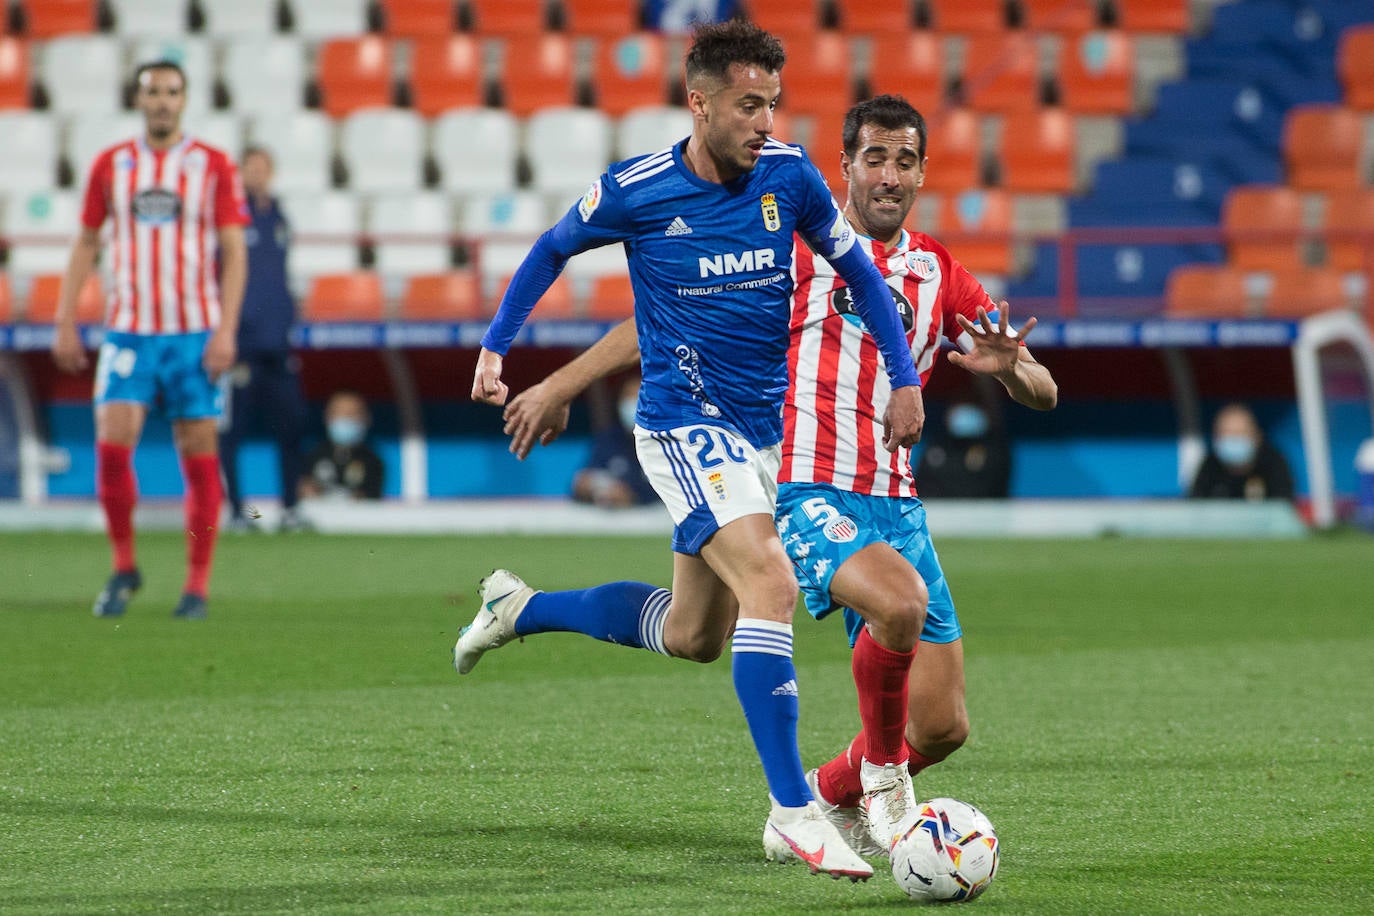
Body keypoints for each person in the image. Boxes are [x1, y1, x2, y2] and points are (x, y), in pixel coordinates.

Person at [497, 95, 1059, 858]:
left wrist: (1010, 371)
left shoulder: (939, 272)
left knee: (939, 723)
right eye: (874, 159)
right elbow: (659, 321)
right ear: (845, 169)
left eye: (904, 161)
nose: (889, 176)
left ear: (923, 172)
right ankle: (883, 789)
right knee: (898, 606)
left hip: (896, 505)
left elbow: (1042, 387)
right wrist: (562, 384)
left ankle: (827, 796)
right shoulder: (789, 247)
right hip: (799, 486)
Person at [456, 21, 925, 881]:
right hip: (680, 424)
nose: (765, 122)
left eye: (773, 104)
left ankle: (519, 609)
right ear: (699, 101)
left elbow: (860, 273)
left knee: (694, 633)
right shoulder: (637, 190)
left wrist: (904, 378)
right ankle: (794, 811)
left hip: (762, 435)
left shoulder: (791, 179)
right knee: (772, 583)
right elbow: (551, 249)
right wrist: (497, 347)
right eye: (749, 105)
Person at [51, 59, 248, 620]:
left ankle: (197, 586)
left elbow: (235, 251)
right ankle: (123, 566)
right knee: (112, 441)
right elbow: (87, 243)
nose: (161, 101)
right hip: (129, 330)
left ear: (183, 100)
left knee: (198, 454)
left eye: (171, 91)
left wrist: (226, 329)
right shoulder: (112, 165)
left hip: (194, 333)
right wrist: (66, 318)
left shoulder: (211, 165)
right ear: (138, 101)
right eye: (152, 92)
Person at [219, 145, 309, 532]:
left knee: (292, 425)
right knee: (232, 431)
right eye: (249, 168)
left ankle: (290, 508)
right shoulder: (230, 219)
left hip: (277, 345)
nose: (256, 175)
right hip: (240, 348)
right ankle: (237, 512)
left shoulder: (280, 217)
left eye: (262, 168)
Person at [571, 374, 658, 508]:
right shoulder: (610, 439)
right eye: (628, 398)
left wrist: (632, 495)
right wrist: (594, 488)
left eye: (639, 399)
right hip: (614, 519)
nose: (633, 405)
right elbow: (584, 480)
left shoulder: (664, 443)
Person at [913, 386, 1012, 500]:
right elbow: (921, 485)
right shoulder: (937, 446)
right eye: (959, 406)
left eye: (971, 406)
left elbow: (994, 488)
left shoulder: (995, 449)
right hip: (939, 513)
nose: (964, 413)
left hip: (981, 513)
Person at [1189, 402, 1294, 501]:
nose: (1234, 440)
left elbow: (1284, 505)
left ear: (1256, 436)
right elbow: (1196, 506)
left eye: (1239, 433)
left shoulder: (1273, 465)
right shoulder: (1209, 467)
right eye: (1227, 434)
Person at [298, 390, 385, 501]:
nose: (345, 419)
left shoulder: (372, 462)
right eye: (339, 413)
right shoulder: (312, 456)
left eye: (351, 414)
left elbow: (370, 499)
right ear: (327, 417)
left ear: (366, 418)